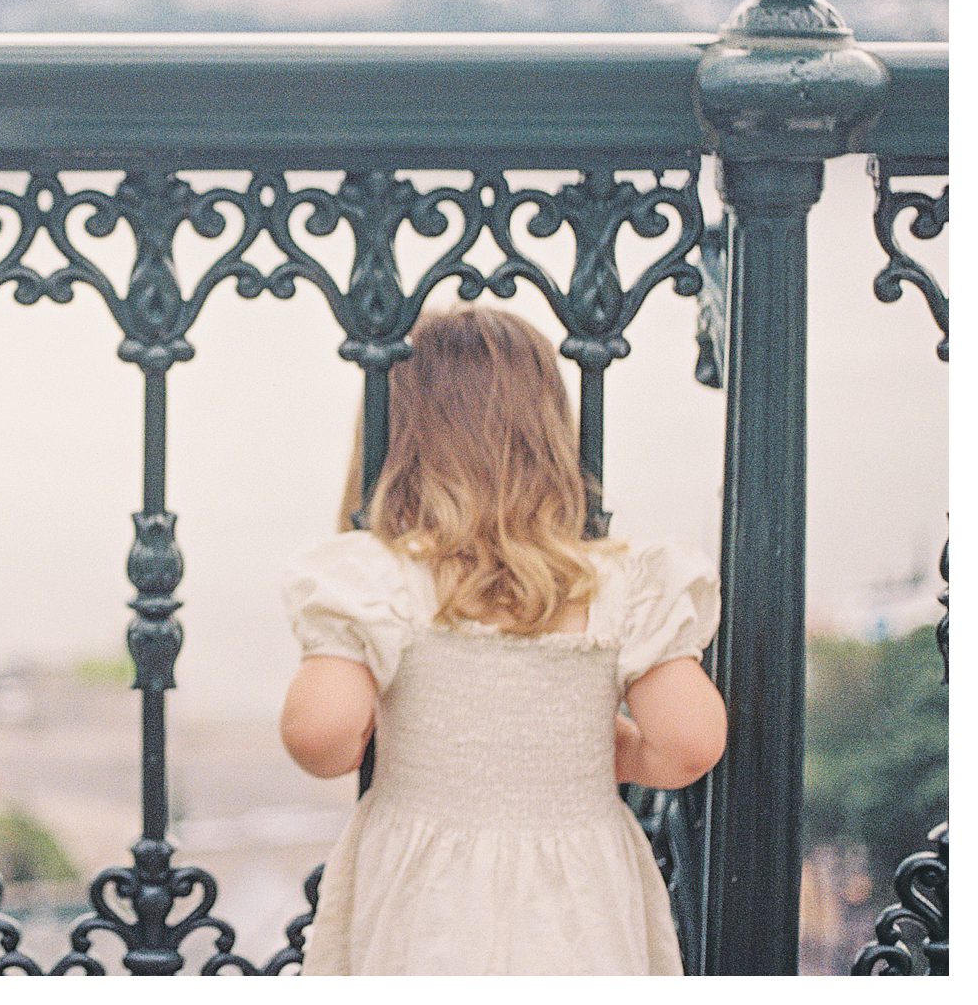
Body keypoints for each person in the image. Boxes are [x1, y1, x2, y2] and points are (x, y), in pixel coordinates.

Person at [278, 305, 724, 975]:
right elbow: (689, 744)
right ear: (553, 437)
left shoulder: (379, 579)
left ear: (393, 441)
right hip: (578, 894)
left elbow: (321, 735)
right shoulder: (620, 582)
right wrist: (608, 752)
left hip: (426, 897)